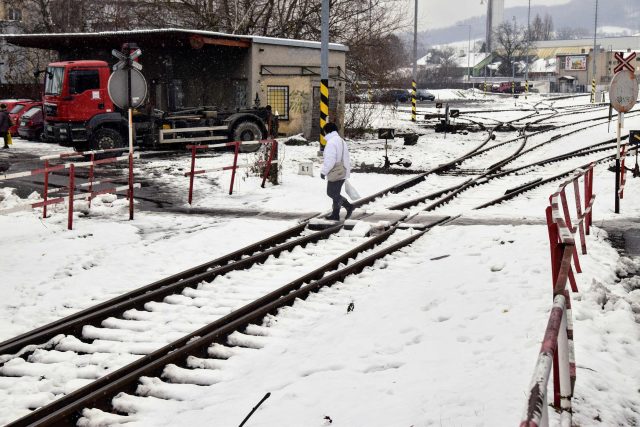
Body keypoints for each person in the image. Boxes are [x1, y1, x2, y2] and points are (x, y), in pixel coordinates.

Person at [320, 122, 354, 220]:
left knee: (331, 193)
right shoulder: (341, 140)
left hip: (336, 172)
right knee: (335, 193)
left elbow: (330, 160)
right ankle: (335, 215)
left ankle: (348, 206)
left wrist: (324, 172)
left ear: (327, 131)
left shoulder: (331, 143)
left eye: (324, 132)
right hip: (343, 170)